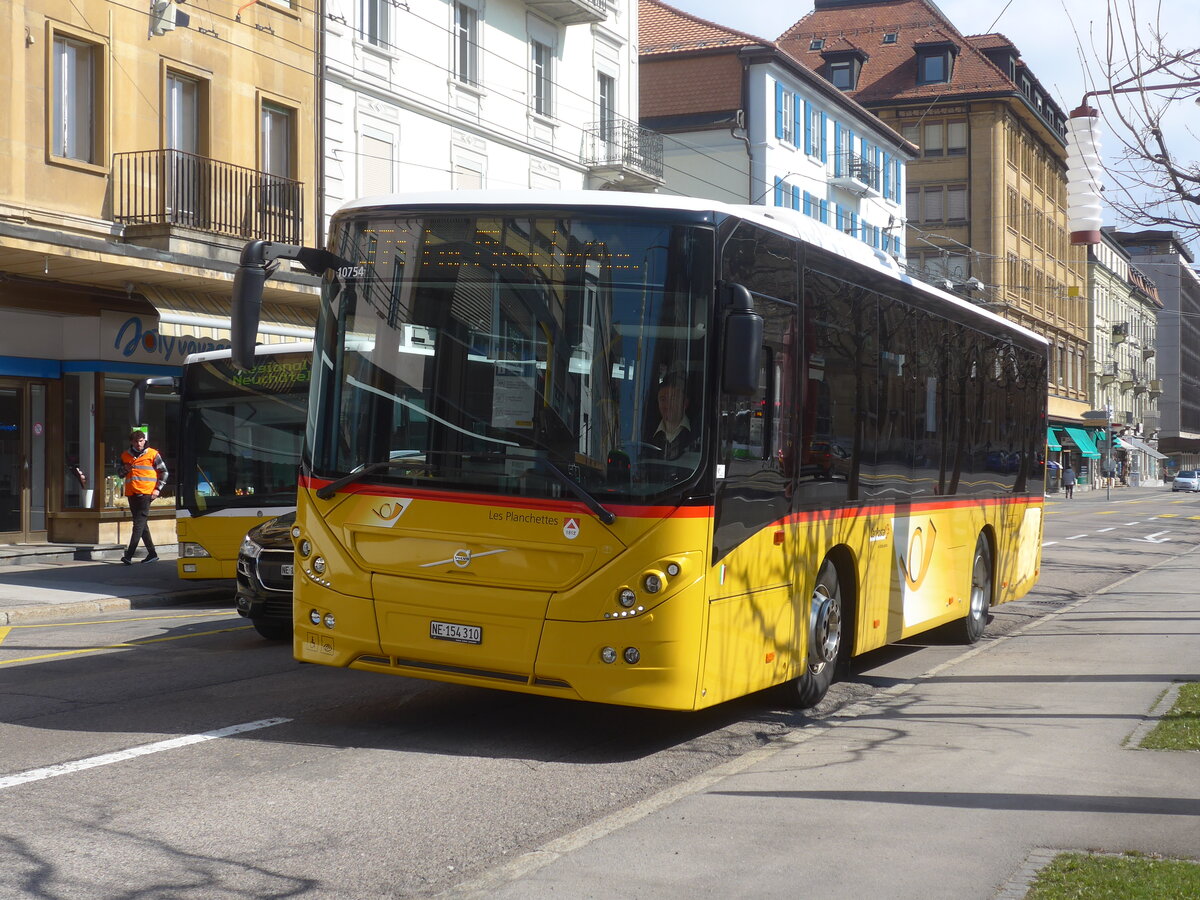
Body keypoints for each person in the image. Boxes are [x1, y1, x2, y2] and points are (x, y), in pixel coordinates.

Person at [118, 429, 168, 564]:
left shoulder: (152, 454)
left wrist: (157, 489)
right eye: (136, 441)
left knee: (138, 524)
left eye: (141, 441)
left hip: (147, 493)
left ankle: (129, 555)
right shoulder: (125, 456)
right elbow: (120, 474)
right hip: (132, 493)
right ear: (131, 442)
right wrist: (125, 469)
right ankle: (152, 554)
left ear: (144, 440)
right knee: (142, 524)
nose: (139, 444)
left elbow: (164, 472)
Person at [650, 373, 695, 461]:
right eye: (663, 399)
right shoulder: (646, 433)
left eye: (673, 399)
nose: (667, 405)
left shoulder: (698, 433)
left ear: (685, 403)